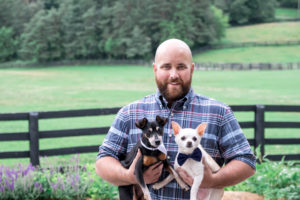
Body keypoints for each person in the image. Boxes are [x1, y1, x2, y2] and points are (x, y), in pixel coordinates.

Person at [96, 38, 256, 199]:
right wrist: (131, 176)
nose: (174, 75)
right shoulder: (129, 113)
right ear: (155, 69)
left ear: (192, 69)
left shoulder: (219, 113)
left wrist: (213, 180)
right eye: (166, 67)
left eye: (181, 67)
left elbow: (246, 161)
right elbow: (103, 161)